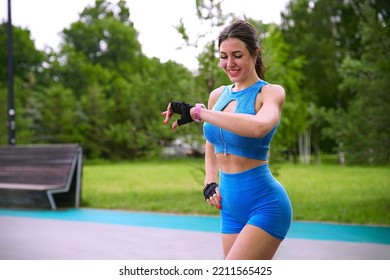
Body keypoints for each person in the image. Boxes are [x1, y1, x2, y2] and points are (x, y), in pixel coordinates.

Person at [161, 20, 292, 260]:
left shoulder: (270, 92)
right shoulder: (217, 95)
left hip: (265, 204)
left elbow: (259, 127)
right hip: (230, 206)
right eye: (223, 56)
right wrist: (209, 181)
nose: (229, 64)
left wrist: (198, 113)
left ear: (255, 53)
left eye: (237, 55)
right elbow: (212, 141)